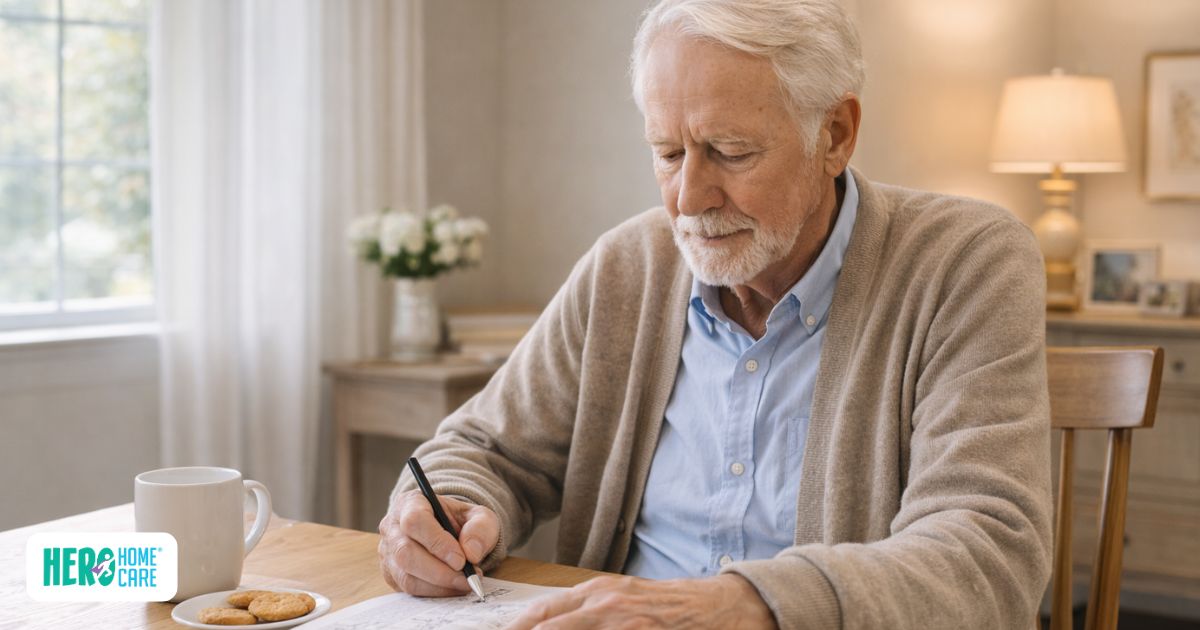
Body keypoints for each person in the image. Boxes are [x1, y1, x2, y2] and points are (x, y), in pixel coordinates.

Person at [378, 0, 1052, 627]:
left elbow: (989, 550)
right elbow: (483, 448)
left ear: (836, 135)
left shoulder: (967, 261)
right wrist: (446, 509)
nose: (690, 198)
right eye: (668, 154)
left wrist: (740, 606)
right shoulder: (629, 265)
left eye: (731, 152)